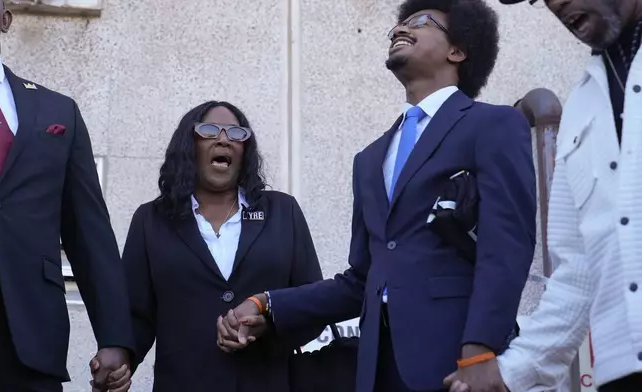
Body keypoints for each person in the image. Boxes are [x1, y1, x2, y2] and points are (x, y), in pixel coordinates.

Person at [218, 0, 537, 391]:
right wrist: (267, 303)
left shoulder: (494, 124)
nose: (400, 29)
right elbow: (362, 280)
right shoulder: (369, 159)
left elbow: (507, 246)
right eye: (398, 24)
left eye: (420, 21)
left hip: (459, 362)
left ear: (458, 49)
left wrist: (480, 351)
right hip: (376, 369)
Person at [445, 0, 642, 391]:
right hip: (622, 373)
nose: (557, 3)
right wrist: (508, 371)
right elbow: (577, 275)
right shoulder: (582, 109)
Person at [107, 100, 324, 392]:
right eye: (209, 131)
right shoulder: (151, 220)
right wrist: (119, 359)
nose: (224, 139)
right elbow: (135, 315)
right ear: (189, 145)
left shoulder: (283, 213)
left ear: (245, 151)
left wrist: (268, 324)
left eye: (236, 134)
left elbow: (312, 302)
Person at [0, 1, 134, 391]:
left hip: (29, 338)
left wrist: (115, 337)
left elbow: (88, 232)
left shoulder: (58, 111)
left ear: (6, 18)